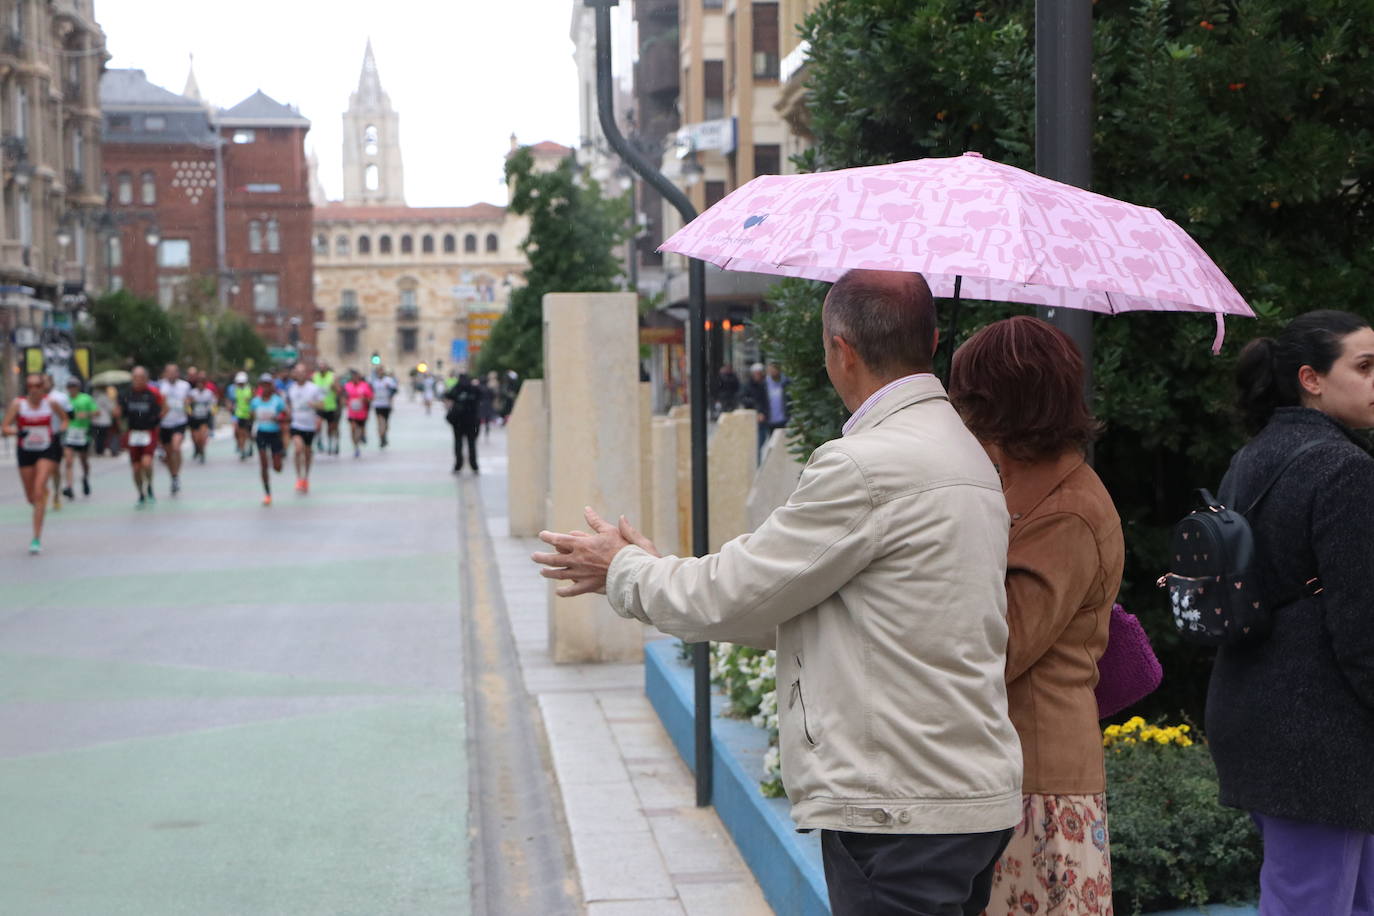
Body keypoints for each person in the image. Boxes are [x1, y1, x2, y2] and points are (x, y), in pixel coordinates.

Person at [532, 270, 1023, 915]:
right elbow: (803, 604)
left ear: (840, 351)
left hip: (897, 801)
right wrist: (656, 568)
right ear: (931, 340)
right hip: (960, 793)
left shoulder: (864, 465)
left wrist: (625, 569)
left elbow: (736, 592)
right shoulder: (964, 453)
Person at [946, 316, 1125, 914]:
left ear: (999, 404)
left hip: (1041, 782)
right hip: (1015, 769)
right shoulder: (1025, 492)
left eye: (965, 394)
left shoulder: (1066, 510)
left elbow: (1003, 645)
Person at [1206, 310, 1374, 916]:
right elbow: (1363, 629)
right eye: (1365, 366)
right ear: (1311, 378)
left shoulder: (1252, 456)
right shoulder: (1346, 470)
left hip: (1254, 710)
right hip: (1321, 737)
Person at [3, 372, 67, 553]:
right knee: (31, 497)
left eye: (37, 386)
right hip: (25, 451)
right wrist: (16, 432)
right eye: (30, 386)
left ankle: (36, 538)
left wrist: (58, 433)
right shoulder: (19, 404)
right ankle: (39, 497)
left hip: (45, 449)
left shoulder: (50, 403)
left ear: (43, 387)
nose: (34, 390)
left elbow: (65, 420)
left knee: (39, 491)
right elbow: (5, 427)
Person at [115, 366, 165, 507]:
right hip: (133, 433)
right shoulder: (126, 394)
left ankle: (149, 483)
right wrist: (118, 416)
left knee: (147, 463)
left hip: (148, 432)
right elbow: (120, 413)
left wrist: (158, 423)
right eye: (135, 378)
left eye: (141, 378)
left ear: (146, 379)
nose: (137, 381)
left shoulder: (153, 394)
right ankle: (140, 493)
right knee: (136, 468)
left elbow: (164, 407)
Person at [249, 373, 288, 506]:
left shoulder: (277, 400)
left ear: (271, 386)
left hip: (275, 434)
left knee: (277, 468)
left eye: (268, 385)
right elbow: (251, 416)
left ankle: (277, 459)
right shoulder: (255, 401)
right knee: (263, 464)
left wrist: (279, 419)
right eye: (263, 385)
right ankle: (267, 493)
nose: (265, 388)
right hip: (261, 434)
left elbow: (288, 416)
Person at [286, 363, 324, 493]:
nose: (300, 374)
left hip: (309, 425)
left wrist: (313, 405)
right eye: (298, 372)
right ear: (295, 374)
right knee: (298, 449)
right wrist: (289, 412)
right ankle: (298, 478)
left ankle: (306, 477)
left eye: (302, 372)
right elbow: (289, 404)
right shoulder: (291, 388)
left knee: (307, 453)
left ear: (306, 373)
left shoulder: (313, 388)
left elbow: (322, 405)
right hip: (296, 424)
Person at [156, 364, 192, 494]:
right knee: (169, 454)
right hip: (165, 423)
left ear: (177, 373)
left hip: (179, 421)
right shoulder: (160, 385)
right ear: (165, 373)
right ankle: (173, 477)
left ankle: (176, 475)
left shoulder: (185, 386)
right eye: (168, 372)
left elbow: (189, 399)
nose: (171, 374)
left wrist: (187, 404)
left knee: (176, 448)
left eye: (173, 372)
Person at [60, 377, 97, 500]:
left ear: (78, 387)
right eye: (70, 387)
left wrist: (85, 414)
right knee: (69, 461)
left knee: (83, 461)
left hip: (82, 433)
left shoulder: (85, 399)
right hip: (69, 433)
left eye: (74, 386)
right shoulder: (65, 400)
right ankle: (69, 487)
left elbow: (97, 412)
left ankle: (85, 478)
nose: (72, 389)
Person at [444, 373, 481, 473]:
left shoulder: (456, 388)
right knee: (472, 444)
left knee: (458, 443)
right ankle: (474, 465)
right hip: (471, 420)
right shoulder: (474, 389)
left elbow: (447, 396)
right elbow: (482, 396)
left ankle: (458, 464)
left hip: (458, 421)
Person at [44, 374, 71, 511]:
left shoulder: (59, 398)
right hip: (37, 440)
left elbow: (68, 416)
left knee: (54, 468)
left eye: (44, 382)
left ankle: (56, 493)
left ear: (51, 383)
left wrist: (63, 428)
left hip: (54, 437)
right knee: (40, 468)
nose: (41, 386)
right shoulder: (31, 400)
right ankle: (42, 491)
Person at [313, 362, 342, 455]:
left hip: (331, 406)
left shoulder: (332, 377)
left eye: (323, 367)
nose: (321, 369)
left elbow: (339, 391)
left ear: (326, 368)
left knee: (331, 427)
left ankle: (332, 444)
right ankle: (319, 440)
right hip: (319, 406)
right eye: (320, 368)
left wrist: (334, 387)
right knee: (318, 425)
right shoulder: (315, 376)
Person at [343, 370, 373, 458]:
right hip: (351, 412)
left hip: (362, 412)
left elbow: (370, 397)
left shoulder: (364, 386)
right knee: (353, 428)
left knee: (359, 430)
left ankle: (361, 436)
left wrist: (364, 399)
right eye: (353, 377)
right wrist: (345, 402)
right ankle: (355, 447)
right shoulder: (347, 386)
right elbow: (344, 396)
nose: (355, 379)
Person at [187, 374, 216, 464]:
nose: (200, 385)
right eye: (198, 383)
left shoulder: (209, 393)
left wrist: (212, 412)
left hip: (204, 418)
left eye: (202, 383)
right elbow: (187, 404)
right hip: (194, 418)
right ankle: (197, 449)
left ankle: (202, 452)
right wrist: (189, 411)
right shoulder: (192, 393)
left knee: (202, 437)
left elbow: (213, 404)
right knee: (195, 438)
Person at [227, 370, 255, 460]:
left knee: (248, 433)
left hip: (249, 415)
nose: (240, 384)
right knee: (241, 433)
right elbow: (232, 401)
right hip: (239, 415)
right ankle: (242, 450)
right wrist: (230, 407)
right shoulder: (235, 390)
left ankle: (250, 446)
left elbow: (254, 401)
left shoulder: (250, 389)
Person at [370, 367, 399, 447]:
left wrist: (389, 392)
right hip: (377, 404)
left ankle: (384, 435)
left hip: (386, 404)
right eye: (378, 371)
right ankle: (381, 438)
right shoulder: (374, 381)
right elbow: (370, 391)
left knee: (385, 423)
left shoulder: (388, 380)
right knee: (379, 422)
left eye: (381, 371)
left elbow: (395, 390)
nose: (380, 373)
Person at [92, 384, 118, 456]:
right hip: (104, 421)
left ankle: (98, 450)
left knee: (97, 436)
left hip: (95, 420)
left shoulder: (94, 396)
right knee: (102, 437)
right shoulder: (105, 397)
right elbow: (111, 408)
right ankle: (100, 450)